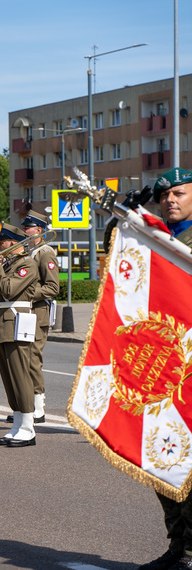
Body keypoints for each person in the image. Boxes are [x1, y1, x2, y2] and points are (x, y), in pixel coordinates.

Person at [138, 166, 192, 570]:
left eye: (180, 193)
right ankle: (177, 547)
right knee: (162, 460)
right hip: (158, 369)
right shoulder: (153, 239)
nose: (170, 199)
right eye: (164, 195)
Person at [0, 224, 38, 447]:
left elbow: (9, 289)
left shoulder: (27, 264)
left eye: (1, 242)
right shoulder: (9, 265)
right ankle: (17, 423)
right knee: (8, 377)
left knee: (20, 376)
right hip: (3, 323)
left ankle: (28, 427)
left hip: (16, 323)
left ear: (13, 243)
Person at [19, 211, 59, 423]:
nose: (24, 231)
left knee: (33, 359)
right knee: (22, 360)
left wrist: (25, 293)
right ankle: (26, 406)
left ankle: (38, 408)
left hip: (38, 313)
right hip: (25, 313)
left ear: (39, 231)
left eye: (28, 228)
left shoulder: (45, 253)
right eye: (24, 228)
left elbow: (52, 287)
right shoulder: (28, 253)